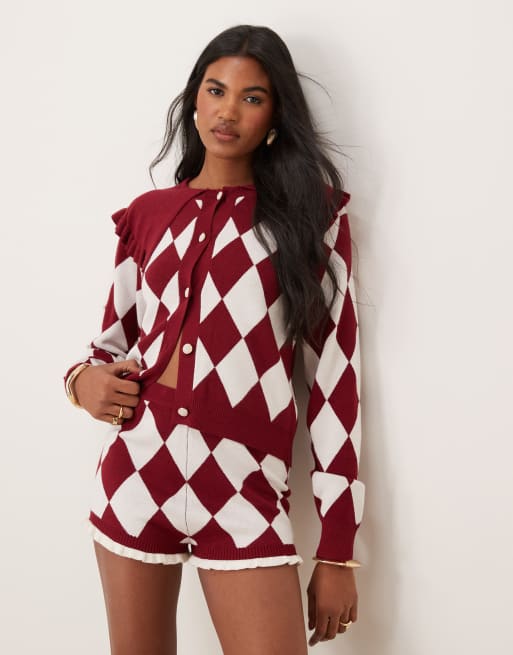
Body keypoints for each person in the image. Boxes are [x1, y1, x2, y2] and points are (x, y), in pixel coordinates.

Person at [63, 24, 365, 655]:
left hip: (244, 485)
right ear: (194, 99)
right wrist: (82, 382)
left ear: (276, 115)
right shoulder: (148, 215)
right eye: (215, 90)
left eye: (252, 97)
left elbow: (336, 382)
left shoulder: (310, 219)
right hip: (136, 471)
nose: (228, 111)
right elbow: (111, 344)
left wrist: (337, 549)